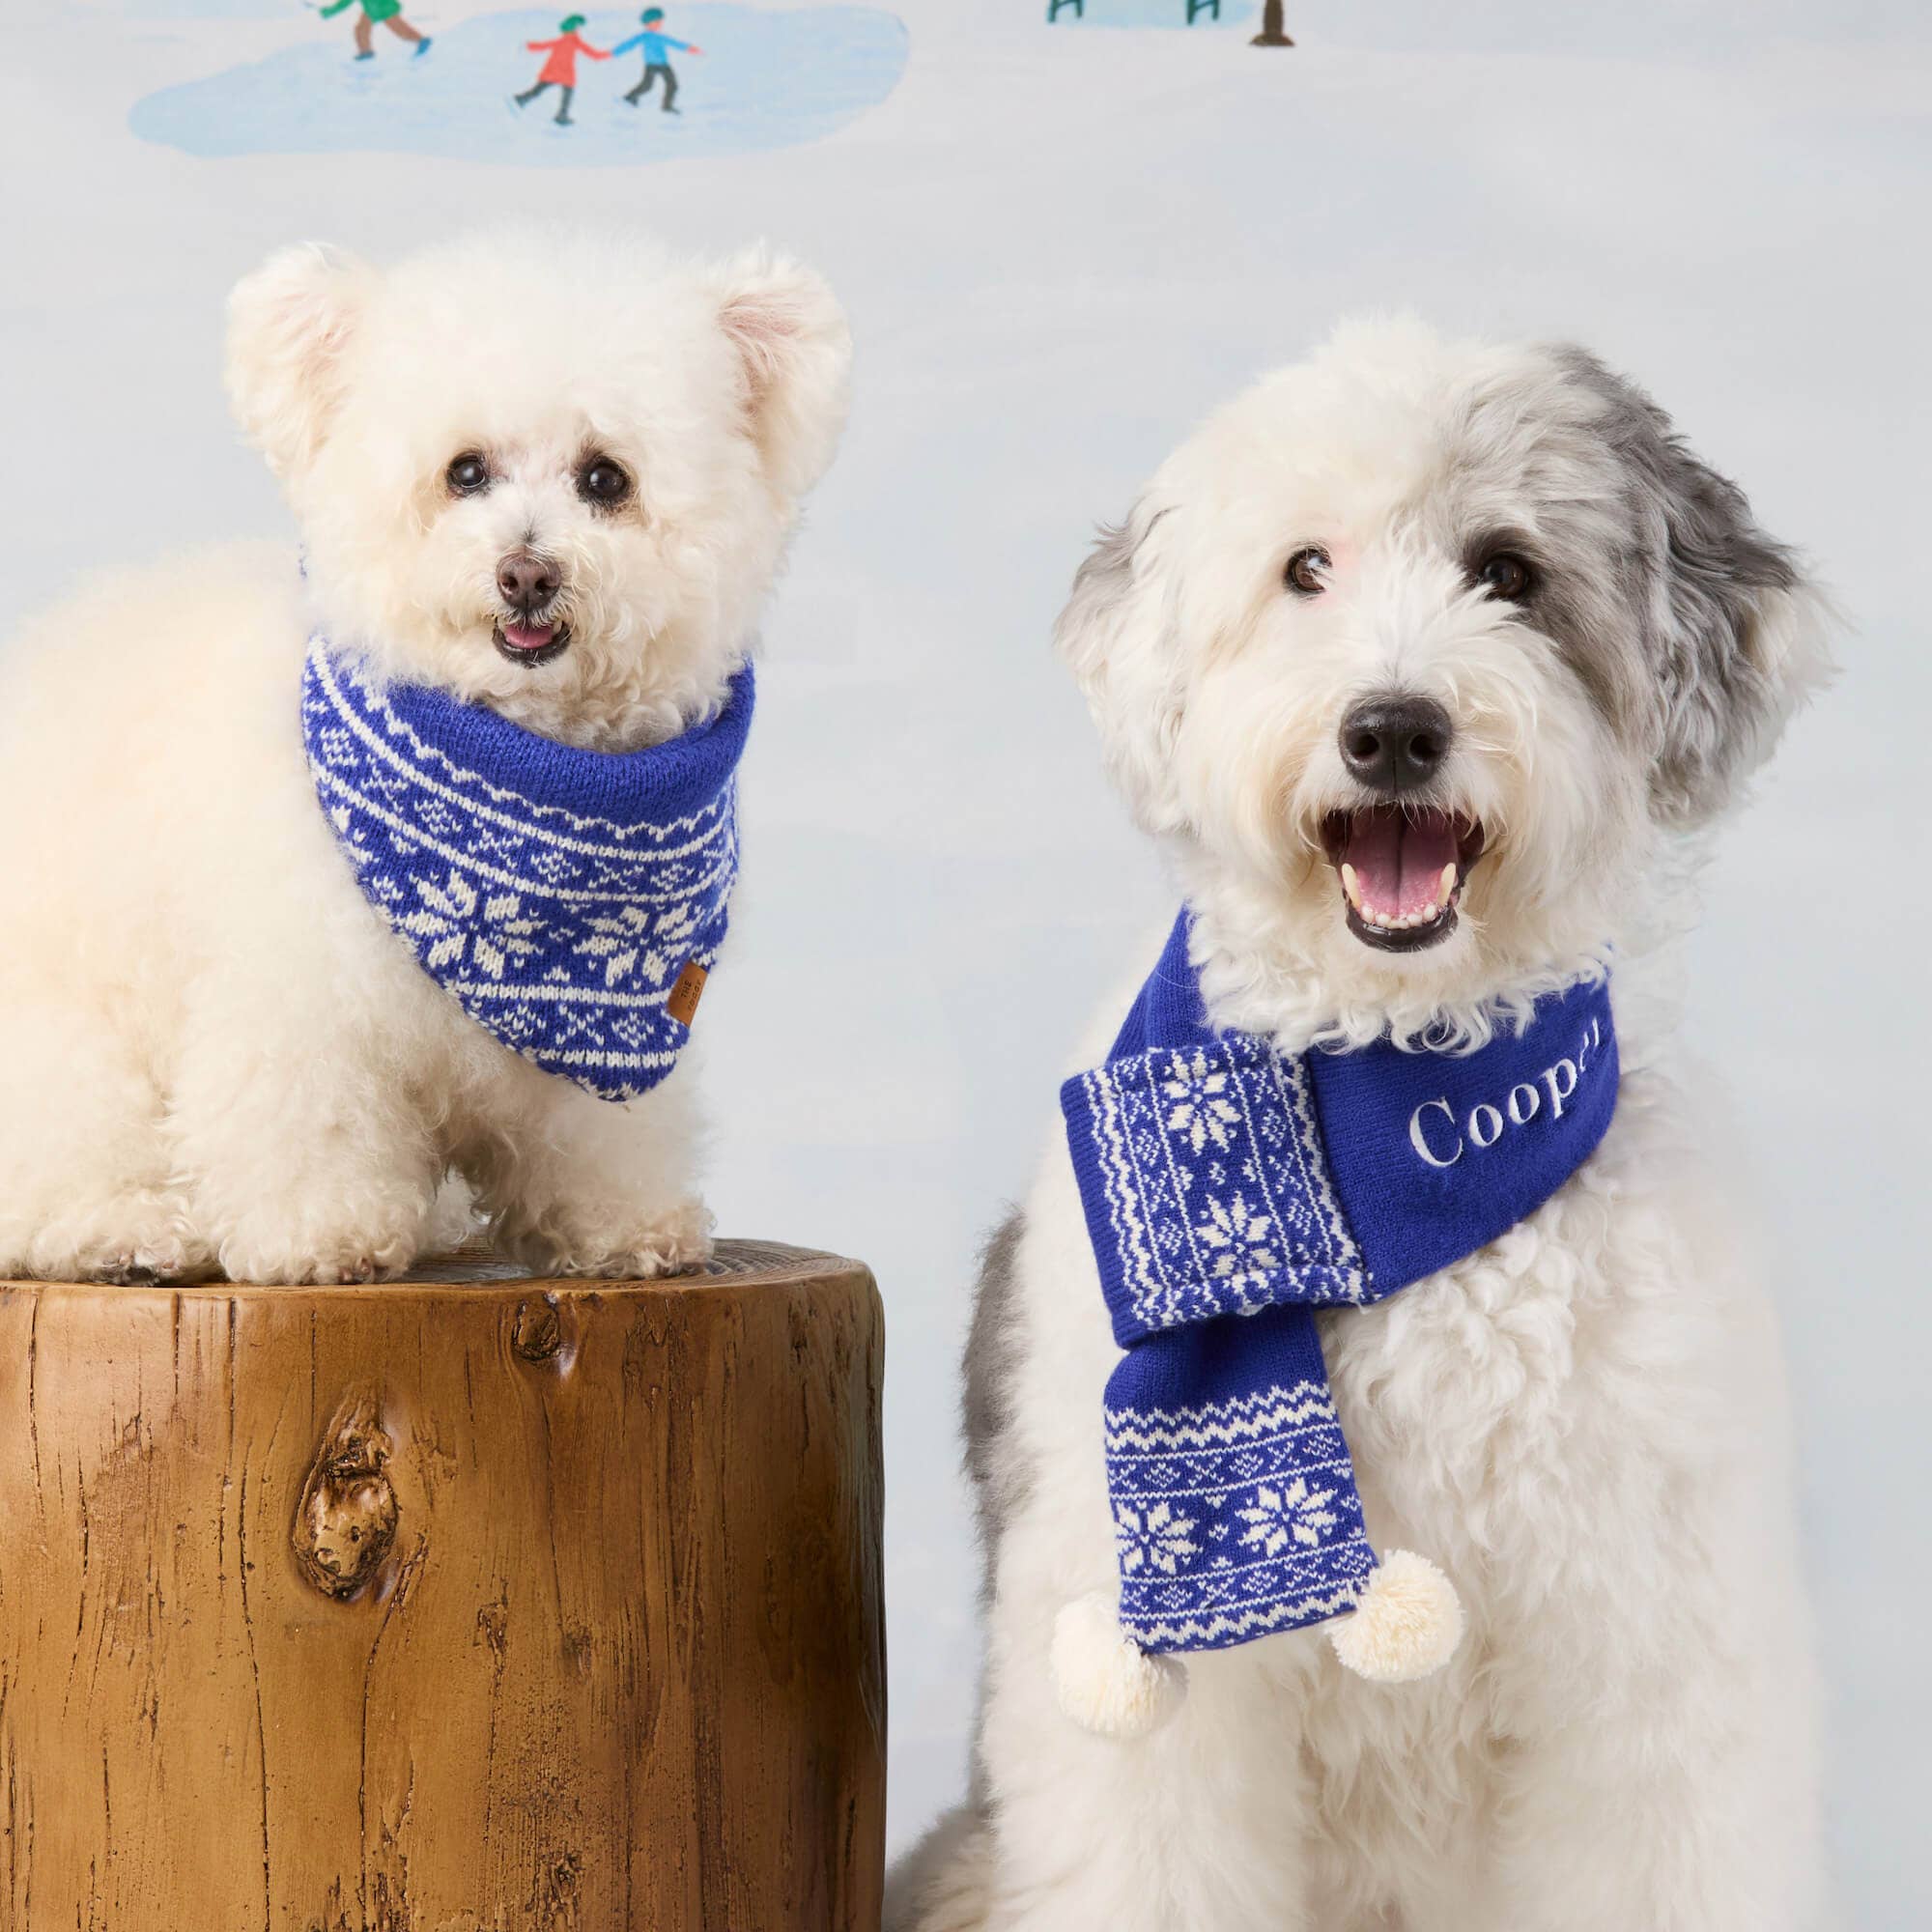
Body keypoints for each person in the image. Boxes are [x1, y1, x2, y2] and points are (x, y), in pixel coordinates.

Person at [515, 14, 611, 128]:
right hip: (564, 73)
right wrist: (608, 54)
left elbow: (544, 45)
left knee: (542, 89)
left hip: (554, 71)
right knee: (565, 93)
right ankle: (560, 115)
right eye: (578, 27)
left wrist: (529, 46)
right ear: (573, 27)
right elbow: (592, 53)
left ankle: (521, 100)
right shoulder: (574, 40)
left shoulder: (566, 39)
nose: (579, 29)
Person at [613, 8, 703, 115]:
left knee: (672, 85)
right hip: (651, 65)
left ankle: (667, 106)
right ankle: (630, 97)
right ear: (647, 23)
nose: (659, 24)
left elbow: (674, 42)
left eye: (660, 22)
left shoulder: (660, 36)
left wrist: (689, 48)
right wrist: (613, 53)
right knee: (647, 86)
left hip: (664, 65)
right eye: (656, 22)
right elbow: (628, 44)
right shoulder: (643, 36)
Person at [320, 0, 431, 61]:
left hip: (384, 7)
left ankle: (421, 40)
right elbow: (344, 2)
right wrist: (328, 11)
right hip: (372, 9)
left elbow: (344, 3)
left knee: (399, 28)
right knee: (361, 29)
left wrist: (328, 12)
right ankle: (365, 51)